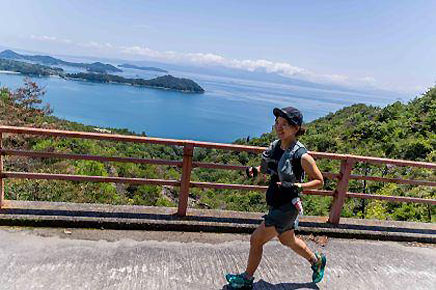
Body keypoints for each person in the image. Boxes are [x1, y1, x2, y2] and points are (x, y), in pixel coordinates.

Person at [226, 106, 326, 289]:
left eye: (285, 124)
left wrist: (296, 185)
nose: (279, 128)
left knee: (256, 239)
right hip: (279, 204)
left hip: (286, 207)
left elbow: (320, 181)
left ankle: (247, 279)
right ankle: (316, 261)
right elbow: (270, 168)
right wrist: (255, 170)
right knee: (287, 240)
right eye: (277, 123)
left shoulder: (301, 155)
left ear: (296, 128)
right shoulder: (276, 146)